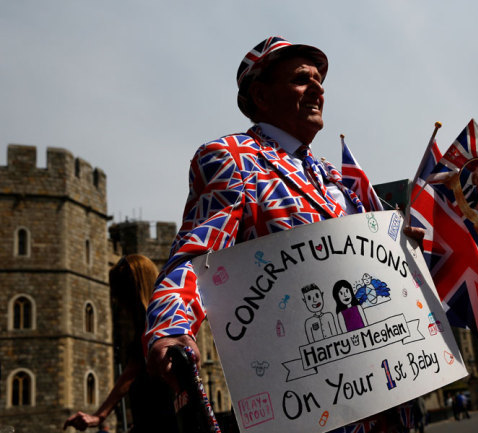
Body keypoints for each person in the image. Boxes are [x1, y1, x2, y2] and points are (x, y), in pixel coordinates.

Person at [143, 37, 416, 432]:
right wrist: (170, 328)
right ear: (261, 94)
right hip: (307, 406)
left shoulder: (338, 178)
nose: (318, 88)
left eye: (320, 79)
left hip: (386, 398)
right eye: (302, 79)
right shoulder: (232, 158)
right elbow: (197, 260)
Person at [63, 255, 177, 433]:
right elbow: (130, 373)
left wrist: (100, 415)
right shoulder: (146, 327)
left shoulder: (163, 325)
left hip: (166, 419)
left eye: (123, 296)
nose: (120, 304)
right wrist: (100, 415)